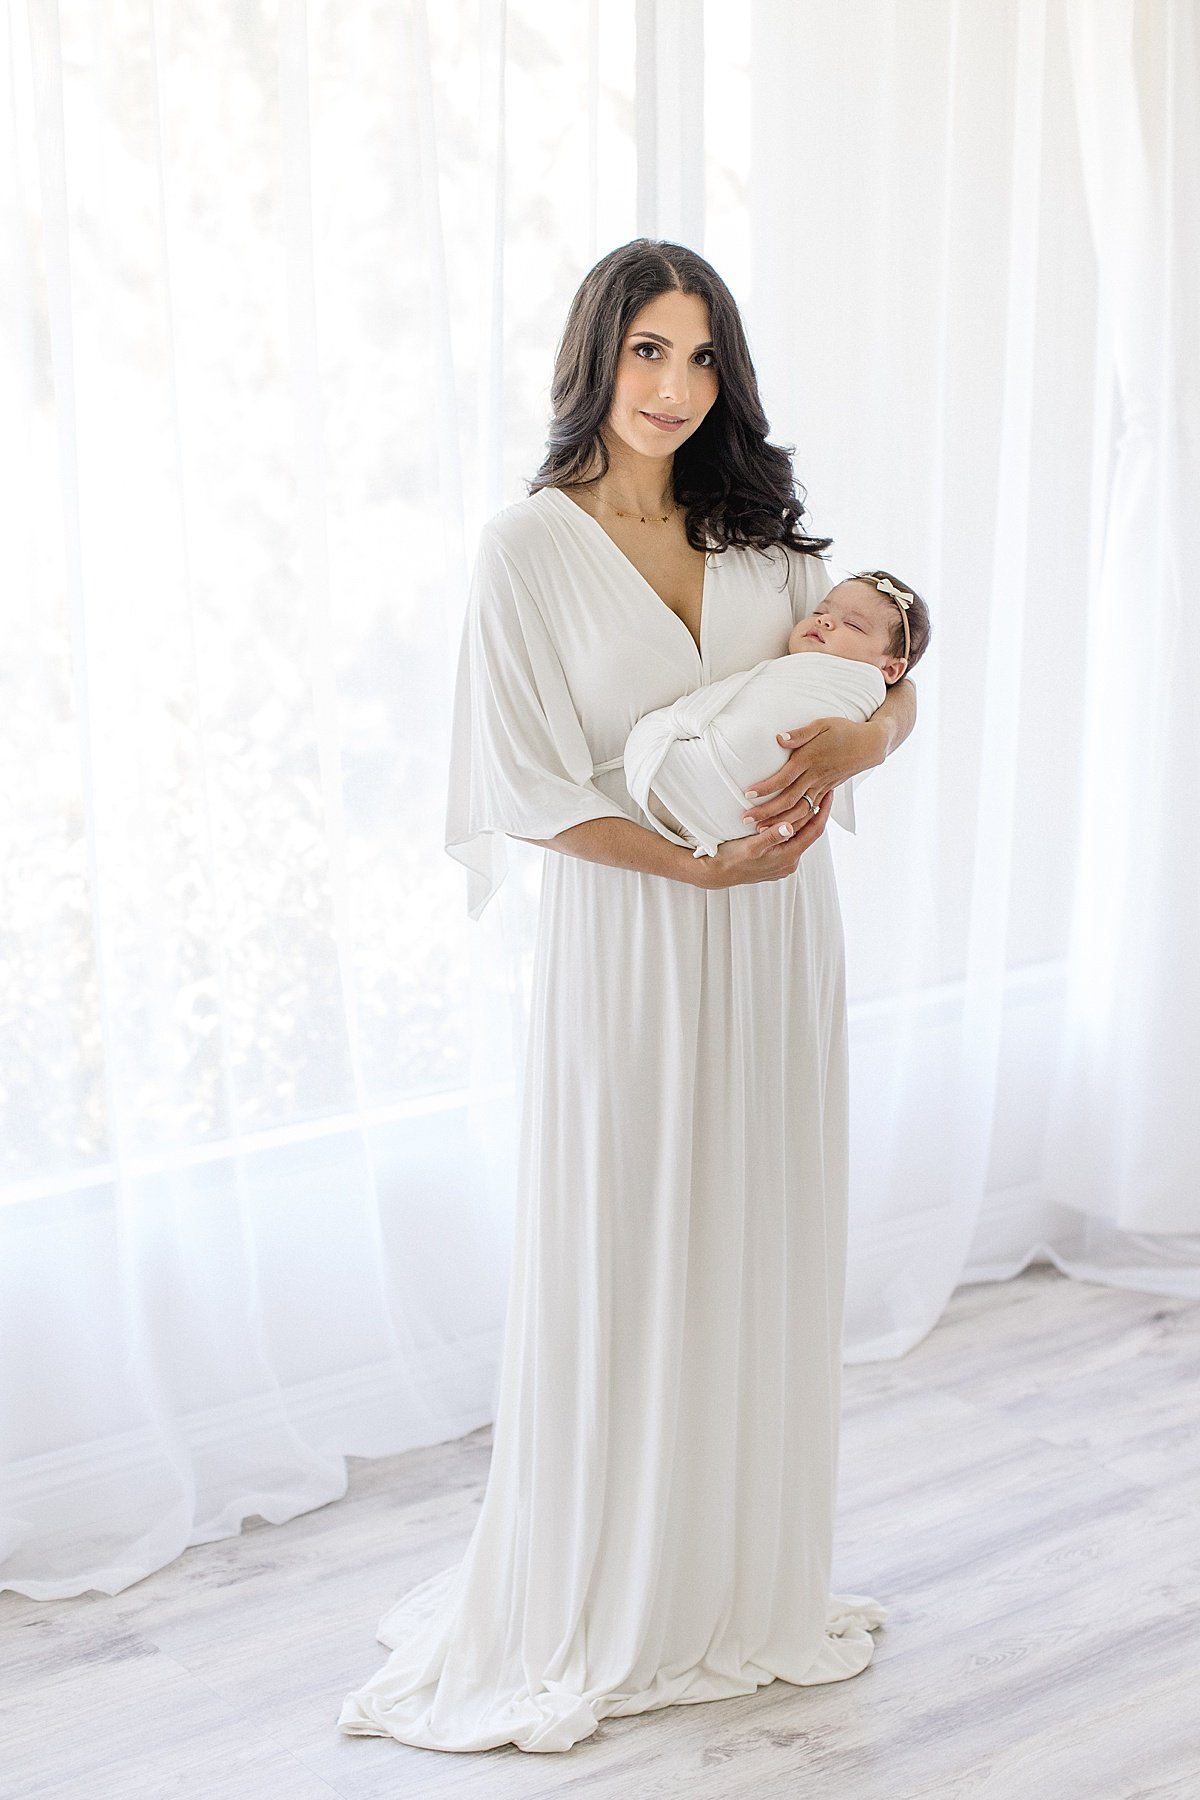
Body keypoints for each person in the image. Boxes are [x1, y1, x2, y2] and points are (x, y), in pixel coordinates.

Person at [337, 239, 917, 1755]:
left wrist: (873, 740)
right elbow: (523, 784)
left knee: (757, 1239)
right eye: (649, 350)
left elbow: (886, 652)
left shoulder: (761, 536)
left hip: (779, 940)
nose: (674, 386)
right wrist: (693, 877)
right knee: (632, 1242)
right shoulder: (527, 549)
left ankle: (738, 1581)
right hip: (639, 939)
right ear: (595, 358)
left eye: (702, 356)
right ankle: (610, 1589)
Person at [625, 570, 930, 858]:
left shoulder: (855, 687)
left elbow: (901, 694)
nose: (824, 621)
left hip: (725, 802)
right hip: (686, 820)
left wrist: (881, 735)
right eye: (819, 612)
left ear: (890, 669)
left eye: (853, 625)